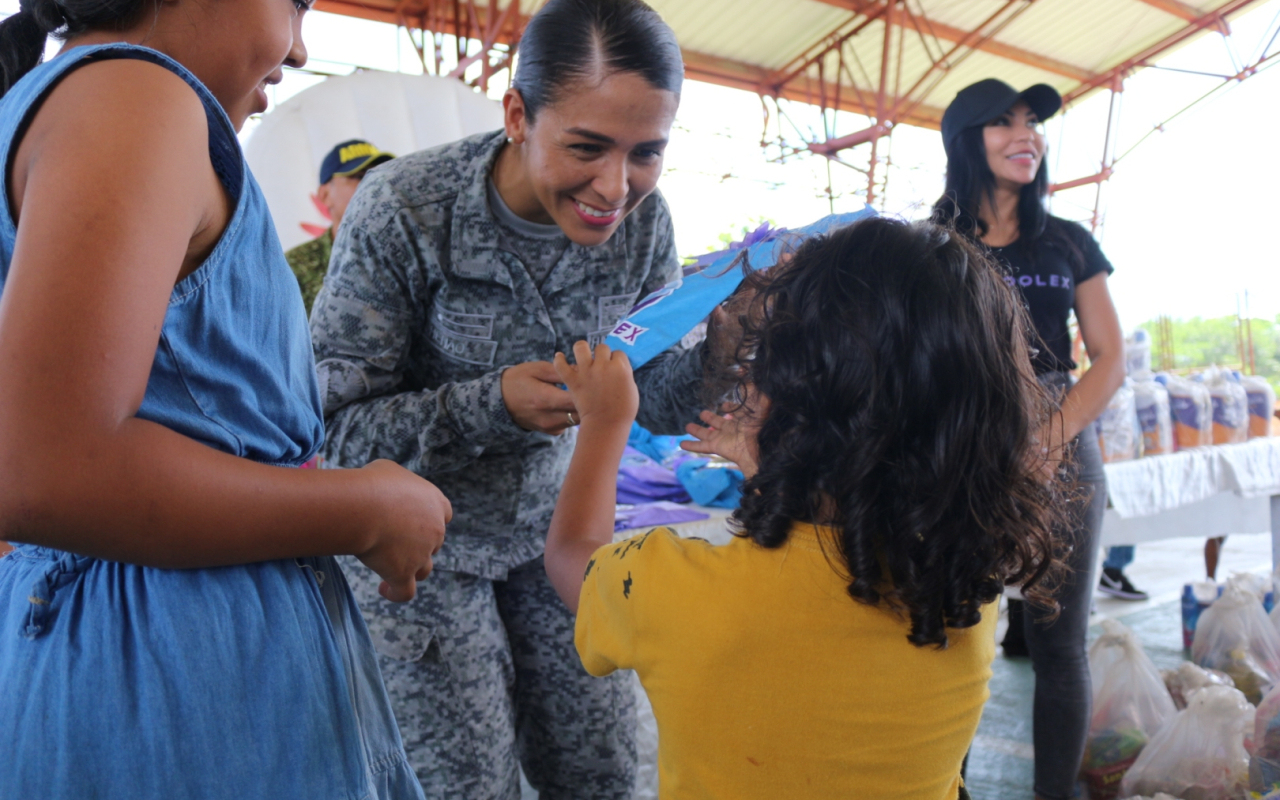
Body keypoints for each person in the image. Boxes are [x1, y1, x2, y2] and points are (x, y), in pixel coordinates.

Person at [0, 0, 451, 796]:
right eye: (295, 4)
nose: (300, 49)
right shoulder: (134, 99)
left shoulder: (64, 102)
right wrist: (363, 508)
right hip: (170, 667)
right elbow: (50, 467)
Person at [308, 0, 704, 795]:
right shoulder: (405, 210)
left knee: (604, 771)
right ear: (518, 115)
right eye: (587, 148)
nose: (614, 188)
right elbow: (337, 431)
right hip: (419, 555)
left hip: (559, 537)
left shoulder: (645, 224)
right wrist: (489, 405)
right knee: (462, 783)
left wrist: (727, 352)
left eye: (646, 154)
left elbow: (655, 397)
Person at [542, 217, 1063, 798]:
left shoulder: (678, 590)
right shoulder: (969, 589)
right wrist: (772, 466)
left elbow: (570, 556)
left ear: (782, 394)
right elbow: (852, 524)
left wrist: (604, 424)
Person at [931, 78, 1126, 800]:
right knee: (951, 630)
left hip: (1062, 439)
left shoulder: (1068, 241)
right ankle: (947, 787)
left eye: (1033, 124)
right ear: (965, 140)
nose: (1027, 136)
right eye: (1003, 122)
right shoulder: (934, 241)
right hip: (961, 439)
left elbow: (1109, 357)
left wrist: (1053, 435)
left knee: (1058, 645)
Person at [285, 138, 393, 314]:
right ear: (325, 194)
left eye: (378, 175)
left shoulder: (409, 253)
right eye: (358, 176)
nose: (374, 184)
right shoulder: (295, 266)